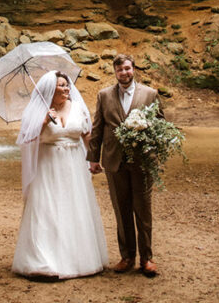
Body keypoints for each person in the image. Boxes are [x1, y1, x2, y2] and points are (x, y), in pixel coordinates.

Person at [11, 70, 108, 279]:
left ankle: (79, 260)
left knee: (74, 208)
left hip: (73, 166)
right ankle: (42, 262)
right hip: (47, 166)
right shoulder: (37, 111)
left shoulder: (78, 107)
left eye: (67, 85)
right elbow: (25, 140)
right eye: (61, 85)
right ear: (50, 89)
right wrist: (43, 122)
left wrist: (93, 159)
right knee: (47, 210)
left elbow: (87, 135)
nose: (66, 88)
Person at [87, 54, 163, 277]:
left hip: (141, 161)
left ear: (134, 69)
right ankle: (126, 256)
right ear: (115, 72)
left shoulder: (150, 94)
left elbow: (161, 125)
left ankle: (146, 258)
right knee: (121, 210)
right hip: (114, 161)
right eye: (120, 70)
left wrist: (153, 153)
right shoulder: (104, 95)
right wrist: (93, 158)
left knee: (143, 210)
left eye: (127, 69)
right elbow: (98, 128)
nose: (124, 73)